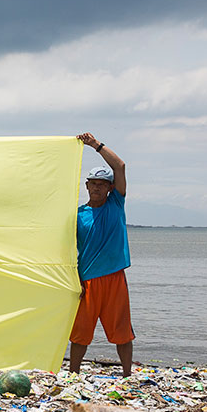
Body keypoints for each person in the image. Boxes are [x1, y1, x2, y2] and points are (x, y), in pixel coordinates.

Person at [68, 133, 133, 376]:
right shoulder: (77, 215)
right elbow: (66, 249)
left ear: (110, 188)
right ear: (86, 186)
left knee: (122, 331)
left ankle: (127, 375)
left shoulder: (116, 204)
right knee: (80, 332)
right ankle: (74, 373)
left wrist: (95, 145)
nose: (97, 187)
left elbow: (120, 166)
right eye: (93, 183)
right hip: (87, 281)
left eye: (102, 184)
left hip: (115, 278)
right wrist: (74, 278)